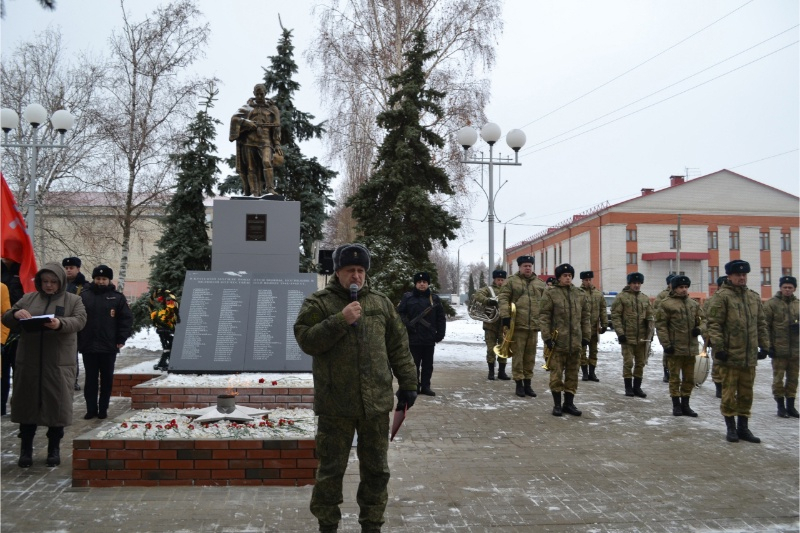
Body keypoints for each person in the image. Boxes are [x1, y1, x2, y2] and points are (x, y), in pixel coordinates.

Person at [293, 243, 417, 533]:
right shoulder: (319, 303)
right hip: (336, 405)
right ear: (338, 272)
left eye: (361, 270)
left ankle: (372, 524)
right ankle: (327, 525)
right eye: (350, 270)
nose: (356, 276)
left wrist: (409, 384)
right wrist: (340, 320)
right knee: (330, 471)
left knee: (376, 471)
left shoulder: (381, 303)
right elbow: (306, 340)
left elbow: (399, 347)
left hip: (375, 405)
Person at [1, 263, 86, 468]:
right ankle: (26, 451)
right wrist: (15, 315)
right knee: (27, 407)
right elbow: (6, 317)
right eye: (45, 282)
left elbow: (80, 321)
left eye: (53, 282)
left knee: (56, 408)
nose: (49, 286)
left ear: (61, 282)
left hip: (58, 364)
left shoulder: (73, 300)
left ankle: (53, 450)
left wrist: (60, 324)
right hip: (29, 363)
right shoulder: (29, 298)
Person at [707, 260, 770, 443]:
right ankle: (731, 428)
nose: (741, 278)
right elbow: (714, 325)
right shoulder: (722, 297)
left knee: (746, 393)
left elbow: (761, 324)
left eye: (744, 275)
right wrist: (719, 348)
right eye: (738, 275)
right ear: (730, 276)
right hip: (729, 356)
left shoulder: (753, 297)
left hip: (748, 357)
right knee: (728, 393)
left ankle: (744, 428)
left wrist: (764, 346)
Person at [78, 265, 133, 420]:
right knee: (90, 379)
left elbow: (126, 319)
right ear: (94, 279)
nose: (101, 281)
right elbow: (77, 318)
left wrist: (121, 338)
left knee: (107, 379)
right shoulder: (84, 296)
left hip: (109, 346)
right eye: (98, 278)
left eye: (104, 279)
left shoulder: (117, 297)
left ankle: (103, 409)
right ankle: (91, 409)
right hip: (88, 345)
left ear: (109, 280)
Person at [540, 264, 591, 417]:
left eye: (570, 275)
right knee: (556, 375)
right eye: (564, 275)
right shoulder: (550, 294)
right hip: (558, 342)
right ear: (559, 277)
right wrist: (547, 338)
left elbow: (585, 318)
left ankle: (569, 403)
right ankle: (557, 405)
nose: (568, 278)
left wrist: (586, 336)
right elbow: (544, 317)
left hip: (575, 342)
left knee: (572, 374)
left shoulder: (579, 294)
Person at [497, 255, 547, 398]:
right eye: (525, 265)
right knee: (518, 356)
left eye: (530, 266)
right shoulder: (511, 282)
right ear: (519, 267)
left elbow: (546, 304)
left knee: (530, 357)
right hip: (517, 325)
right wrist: (505, 317)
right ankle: (519, 383)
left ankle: (528, 384)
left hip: (534, 326)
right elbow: (503, 298)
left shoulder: (539, 283)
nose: (527, 268)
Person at [655, 275, 704, 417]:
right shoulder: (666, 304)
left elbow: (704, 320)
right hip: (675, 349)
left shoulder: (693, 305)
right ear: (674, 288)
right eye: (681, 287)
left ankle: (686, 405)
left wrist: (700, 329)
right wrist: (666, 344)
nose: (684, 290)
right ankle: (676, 405)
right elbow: (661, 326)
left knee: (689, 378)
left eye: (686, 287)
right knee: (674, 378)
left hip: (690, 348)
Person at [229, 83, 283, 196]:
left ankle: (270, 189)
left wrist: (277, 143)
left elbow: (277, 127)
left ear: (265, 93)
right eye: (257, 94)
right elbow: (234, 119)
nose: (259, 96)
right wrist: (246, 123)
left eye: (261, 94)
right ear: (254, 94)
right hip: (249, 141)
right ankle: (254, 192)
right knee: (251, 168)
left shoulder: (273, 108)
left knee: (267, 162)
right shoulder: (247, 108)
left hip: (266, 141)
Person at [397, 272, 446, 396]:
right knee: (413, 364)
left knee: (428, 365)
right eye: (419, 282)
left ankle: (426, 386)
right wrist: (407, 324)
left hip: (429, 337)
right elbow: (400, 313)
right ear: (415, 284)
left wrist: (440, 333)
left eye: (424, 282)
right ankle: (415, 386)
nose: (422, 284)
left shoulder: (434, 299)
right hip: (413, 337)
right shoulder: (408, 297)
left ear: (428, 284)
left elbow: (441, 317)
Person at [611, 272, 653, 398]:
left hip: (642, 337)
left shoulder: (644, 298)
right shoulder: (621, 297)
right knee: (628, 362)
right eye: (634, 283)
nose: (637, 285)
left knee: (640, 363)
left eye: (639, 283)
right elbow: (616, 316)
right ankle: (628, 387)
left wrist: (651, 333)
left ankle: (637, 387)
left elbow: (650, 316)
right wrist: (620, 333)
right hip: (627, 337)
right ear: (629, 283)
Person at [763, 275, 799, 418]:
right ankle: (780, 406)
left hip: (795, 350)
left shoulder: (798, 304)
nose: (787, 290)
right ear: (780, 288)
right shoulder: (772, 304)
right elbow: (765, 326)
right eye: (785, 287)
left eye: (790, 287)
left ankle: (791, 405)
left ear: (794, 288)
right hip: (778, 349)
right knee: (778, 379)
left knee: (793, 379)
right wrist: (768, 346)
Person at [472, 269, 510, 381]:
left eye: (502, 279)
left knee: (504, 348)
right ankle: (491, 372)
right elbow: (478, 295)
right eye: (498, 279)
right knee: (491, 349)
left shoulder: (508, 290)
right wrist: (488, 301)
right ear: (494, 279)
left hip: (504, 324)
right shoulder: (488, 289)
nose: (500, 282)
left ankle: (502, 372)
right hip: (491, 325)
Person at [1, 258, 24, 417]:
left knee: (19, 371)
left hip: (18, 329)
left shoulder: (24, 269)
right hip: (4, 329)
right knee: (2, 373)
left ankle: (19, 406)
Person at [62, 256, 86, 391]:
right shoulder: (59, 283)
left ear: (78, 269)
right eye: (66, 268)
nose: (68, 271)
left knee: (72, 354)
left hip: (76, 323)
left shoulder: (84, 286)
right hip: (60, 321)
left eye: (71, 268)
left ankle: (73, 379)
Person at [578, 271, 606, 382]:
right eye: (586, 280)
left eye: (589, 280)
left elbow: (603, 310)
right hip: (582, 328)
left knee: (593, 351)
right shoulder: (578, 293)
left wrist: (604, 324)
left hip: (594, 328)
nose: (588, 282)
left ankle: (592, 372)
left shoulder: (598, 294)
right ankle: (584, 372)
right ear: (582, 280)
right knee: (582, 352)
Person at [703, 276, 728, 398]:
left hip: (732, 339)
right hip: (716, 337)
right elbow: (705, 321)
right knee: (718, 363)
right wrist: (707, 339)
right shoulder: (711, 302)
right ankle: (719, 387)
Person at [149, 288, 180, 371]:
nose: (169, 302)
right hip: (164, 331)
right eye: (168, 301)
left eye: (170, 301)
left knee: (169, 346)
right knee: (167, 347)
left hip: (167, 330)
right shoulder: (163, 311)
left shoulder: (172, 310)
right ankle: (164, 363)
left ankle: (164, 363)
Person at [653, 274, 676, 384]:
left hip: (680, 330)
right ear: (669, 284)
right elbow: (656, 311)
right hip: (666, 329)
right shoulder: (662, 296)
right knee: (667, 351)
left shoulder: (681, 294)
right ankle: (667, 372)